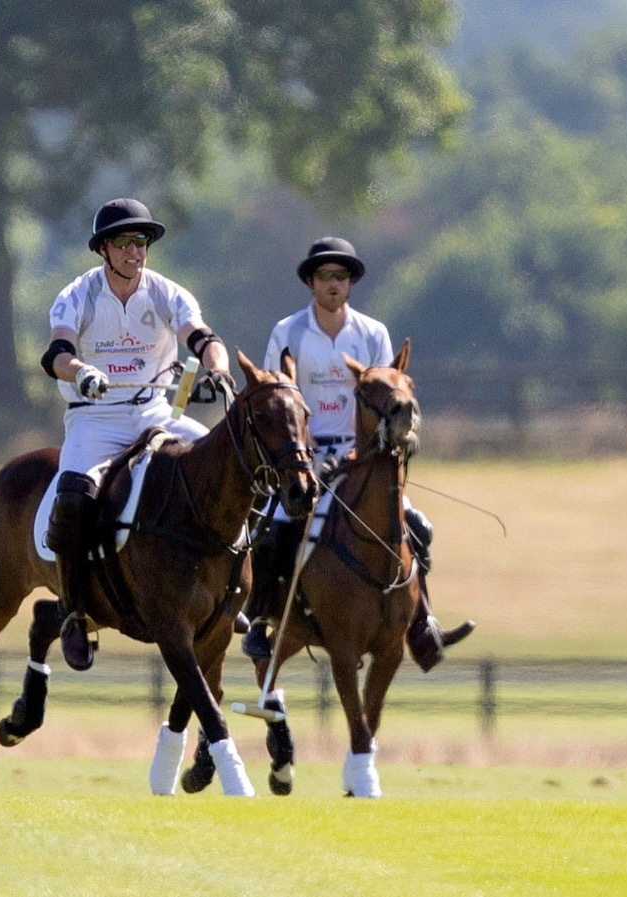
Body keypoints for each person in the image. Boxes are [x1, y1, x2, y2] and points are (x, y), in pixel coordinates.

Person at [241, 237, 475, 672]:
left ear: (350, 284)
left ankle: (422, 625)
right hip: (301, 459)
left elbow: (388, 400)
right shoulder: (287, 332)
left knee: (417, 527)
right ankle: (258, 620)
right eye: (326, 276)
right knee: (273, 533)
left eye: (341, 276)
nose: (334, 284)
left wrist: (397, 439)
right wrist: (300, 451)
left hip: (360, 460)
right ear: (311, 282)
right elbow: (277, 398)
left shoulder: (373, 334)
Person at [40, 198, 234, 671]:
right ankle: (72, 612)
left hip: (154, 414)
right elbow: (56, 354)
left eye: (141, 241)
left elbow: (205, 340)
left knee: (231, 469)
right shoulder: (77, 295)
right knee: (72, 499)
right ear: (104, 249)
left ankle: (233, 595)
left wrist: (218, 372)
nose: (135, 251)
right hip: (95, 420)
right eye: (124, 242)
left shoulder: (168, 293)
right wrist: (81, 371)